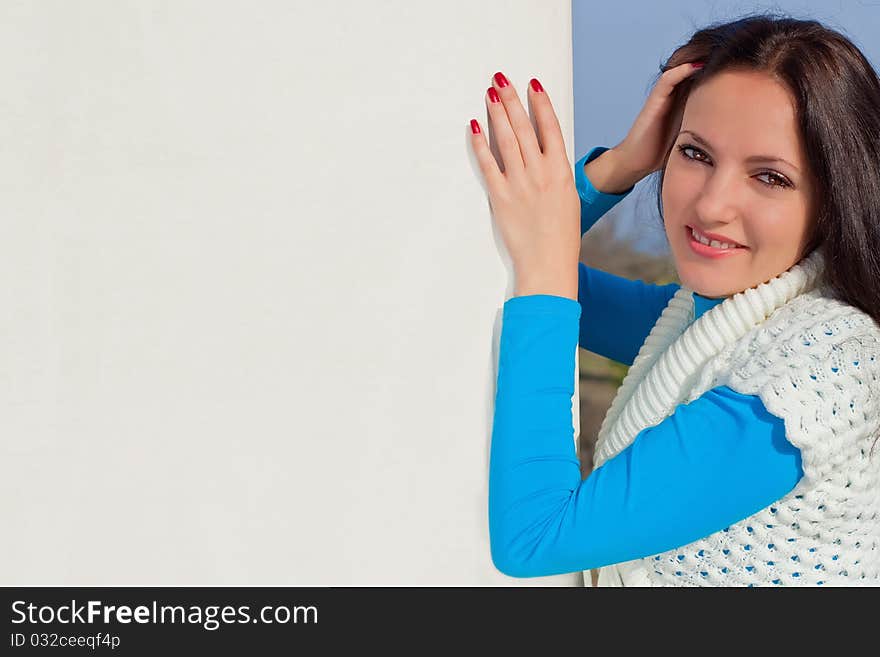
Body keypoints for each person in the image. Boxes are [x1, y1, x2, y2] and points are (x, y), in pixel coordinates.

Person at [469, 12, 880, 586]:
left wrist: (546, 249)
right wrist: (618, 168)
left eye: (771, 177)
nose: (712, 205)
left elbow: (533, 538)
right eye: (695, 154)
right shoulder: (713, 320)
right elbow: (542, 279)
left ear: (835, 198)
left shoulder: (818, 375)